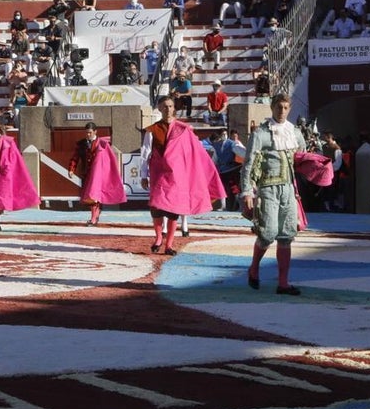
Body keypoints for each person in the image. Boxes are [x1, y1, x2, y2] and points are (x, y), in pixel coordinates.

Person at [140, 95, 226, 256]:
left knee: (174, 210)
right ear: (159, 108)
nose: (168, 109)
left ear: (175, 108)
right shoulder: (152, 130)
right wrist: (143, 175)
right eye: (164, 106)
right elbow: (145, 153)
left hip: (176, 174)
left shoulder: (183, 129)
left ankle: (169, 244)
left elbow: (194, 151)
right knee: (156, 207)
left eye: (171, 106)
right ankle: (159, 237)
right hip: (158, 172)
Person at [241, 94, 308, 295]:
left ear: (290, 109)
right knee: (268, 233)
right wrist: (246, 192)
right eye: (279, 106)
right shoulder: (261, 133)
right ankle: (254, 267)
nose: (282, 111)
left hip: (288, 188)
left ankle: (283, 282)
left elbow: (302, 158)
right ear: (272, 107)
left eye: (286, 107)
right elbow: (249, 164)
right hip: (267, 188)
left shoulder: (295, 133)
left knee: (286, 235)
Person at [68, 123, 126, 226]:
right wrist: (72, 169)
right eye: (86, 133)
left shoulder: (102, 143)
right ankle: (96, 214)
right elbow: (75, 157)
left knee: (94, 195)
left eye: (90, 132)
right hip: (87, 173)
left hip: (99, 174)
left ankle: (93, 218)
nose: (88, 135)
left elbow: (109, 159)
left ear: (95, 132)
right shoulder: (81, 144)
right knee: (90, 196)